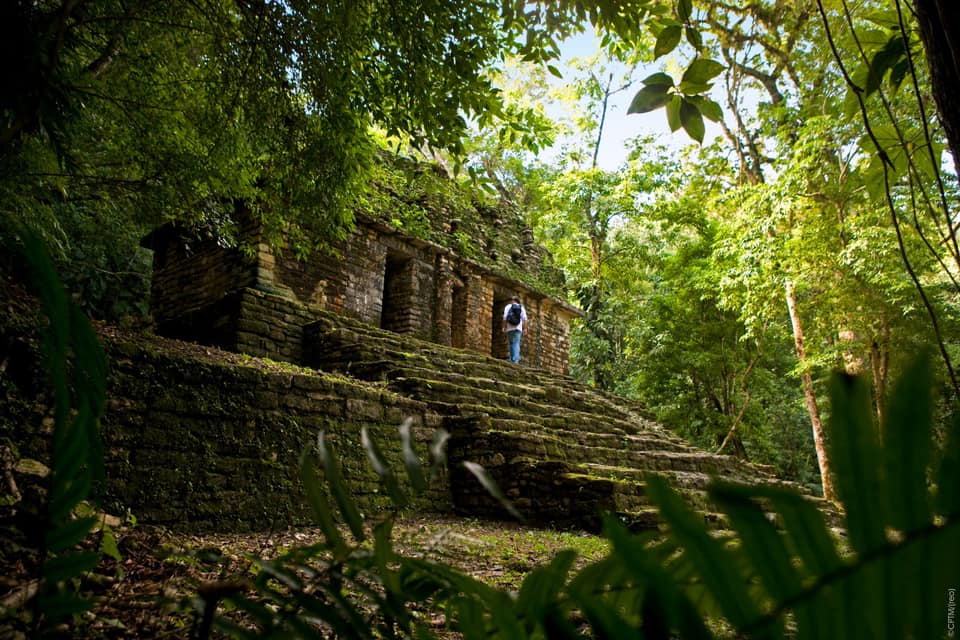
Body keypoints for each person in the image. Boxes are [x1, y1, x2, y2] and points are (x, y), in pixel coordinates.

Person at [501, 295, 529, 363]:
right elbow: (525, 319)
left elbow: (504, 318)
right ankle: (515, 360)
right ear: (518, 301)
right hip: (518, 328)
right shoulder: (521, 307)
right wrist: (525, 329)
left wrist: (504, 327)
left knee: (511, 343)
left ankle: (511, 359)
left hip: (509, 328)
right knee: (516, 343)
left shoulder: (508, 307)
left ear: (512, 301)